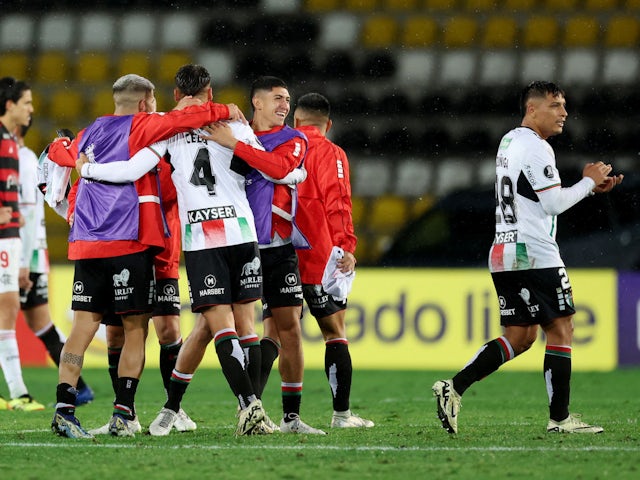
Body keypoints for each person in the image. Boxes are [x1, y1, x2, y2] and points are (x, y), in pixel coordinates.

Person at [77, 64, 280, 436]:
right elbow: (267, 168)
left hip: (201, 239)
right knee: (243, 326)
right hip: (242, 231)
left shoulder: (165, 129)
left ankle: (245, 407)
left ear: (174, 95)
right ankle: (237, 410)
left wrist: (87, 171)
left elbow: (129, 170)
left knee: (220, 328)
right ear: (211, 92)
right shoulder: (233, 124)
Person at [432, 81, 623, 435]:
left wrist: (587, 189)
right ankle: (561, 419)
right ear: (532, 109)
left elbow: (531, 197)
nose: (564, 113)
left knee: (520, 337)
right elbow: (552, 204)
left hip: (504, 248)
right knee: (561, 328)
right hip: (534, 251)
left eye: (564, 105)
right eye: (555, 105)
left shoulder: (509, 141)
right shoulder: (536, 147)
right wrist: (586, 182)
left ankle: (453, 388)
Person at [203, 76, 326, 434]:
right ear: (257, 103)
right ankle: (179, 407)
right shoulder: (239, 134)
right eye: (277, 98)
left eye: (287, 99)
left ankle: (291, 418)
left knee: (289, 328)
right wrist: (233, 144)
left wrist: (241, 150)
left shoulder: (293, 138)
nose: (285, 105)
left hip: (279, 247)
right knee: (212, 330)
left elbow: (278, 168)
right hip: (240, 243)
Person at [293, 93, 374, 428]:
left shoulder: (279, 147)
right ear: (328, 124)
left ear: (295, 122)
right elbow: (337, 200)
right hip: (318, 259)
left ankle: (254, 409)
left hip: (279, 254)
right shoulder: (330, 152)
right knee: (334, 332)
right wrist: (345, 246)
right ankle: (341, 414)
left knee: (276, 332)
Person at [16, 121, 94, 406]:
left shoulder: (21, 160)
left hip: (24, 254)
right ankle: (81, 388)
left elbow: (32, 211)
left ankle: (18, 394)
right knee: (44, 327)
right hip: (32, 253)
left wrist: (26, 259)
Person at [0, 77, 44, 412]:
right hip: (4, 236)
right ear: (10, 104)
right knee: (9, 306)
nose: (31, 109)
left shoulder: (10, 144)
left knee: (8, 306)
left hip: (11, 236)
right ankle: (17, 393)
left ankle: (17, 392)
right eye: (26, 102)